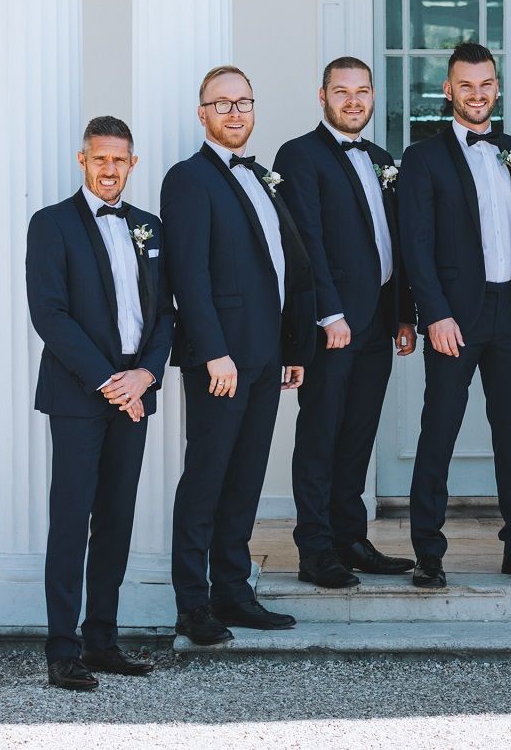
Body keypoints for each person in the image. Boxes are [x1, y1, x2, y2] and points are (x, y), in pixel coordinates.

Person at [398, 41, 511, 588]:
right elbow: (416, 245)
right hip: (454, 315)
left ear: (497, 88)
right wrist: (434, 315)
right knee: (439, 430)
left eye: (486, 84)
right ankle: (428, 551)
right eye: (465, 85)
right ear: (448, 90)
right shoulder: (422, 157)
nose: (477, 95)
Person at [161, 66, 317, 645]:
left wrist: (290, 348)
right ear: (201, 113)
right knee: (206, 480)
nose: (234, 112)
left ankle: (234, 590)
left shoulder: (261, 177)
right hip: (222, 363)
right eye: (221, 104)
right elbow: (189, 277)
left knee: (246, 478)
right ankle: (191, 604)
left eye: (244, 102)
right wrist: (213, 354)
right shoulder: (188, 179)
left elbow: (285, 269)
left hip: (266, 355)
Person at [24, 116, 175, 691]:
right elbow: (50, 315)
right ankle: (62, 650)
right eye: (100, 159)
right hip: (80, 395)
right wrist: (111, 381)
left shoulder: (149, 227)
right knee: (71, 518)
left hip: (135, 393)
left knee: (116, 519)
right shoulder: (52, 224)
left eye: (120, 160)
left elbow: (165, 313)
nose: (110, 169)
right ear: (83, 161)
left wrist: (145, 376)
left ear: (132, 164)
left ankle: (103, 639)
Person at [274, 57, 418, 588]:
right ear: (323, 96)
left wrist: (405, 315)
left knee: (358, 434)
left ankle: (350, 539)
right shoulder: (298, 155)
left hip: (379, 324)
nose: (353, 101)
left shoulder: (382, 158)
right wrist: (328, 314)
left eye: (362, 91)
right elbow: (304, 240)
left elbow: (396, 243)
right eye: (342, 91)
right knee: (321, 435)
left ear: (373, 96)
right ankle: (315, 548)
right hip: (332, 324)